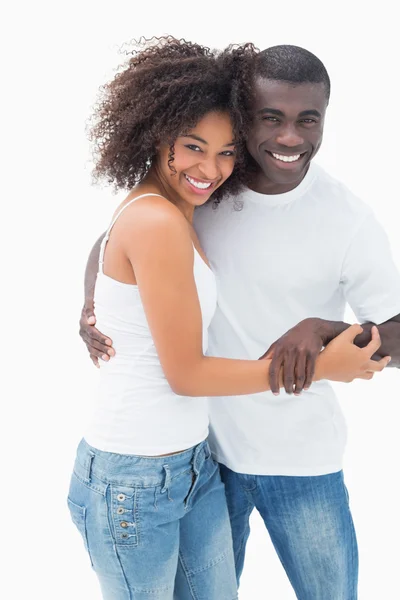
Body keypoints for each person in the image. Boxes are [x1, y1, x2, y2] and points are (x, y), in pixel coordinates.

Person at [77, 41, 396, 599]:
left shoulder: (345, 218)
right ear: (246, 119)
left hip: (299, 458)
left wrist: (323, 327)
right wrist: (92, 298)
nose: (289, 137)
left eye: (307, 119)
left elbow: (395, 327)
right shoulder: (207, 189)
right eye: (270, 118)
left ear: (325, 119)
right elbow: (124, 233)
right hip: (205, 457)